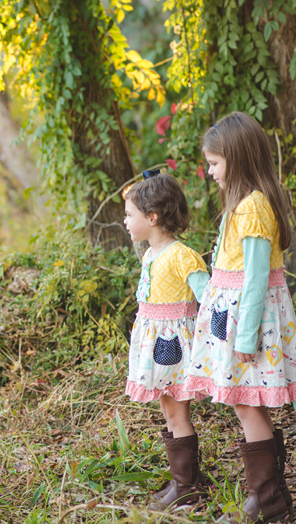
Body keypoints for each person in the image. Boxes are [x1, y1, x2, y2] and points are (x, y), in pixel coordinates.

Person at [184, 111, 296, 524]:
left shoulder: (253, 207)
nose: (209, 171)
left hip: (249, 327)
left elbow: (256, 280)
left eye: (215, 163)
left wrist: (244, 339)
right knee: (247, 403)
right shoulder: (240, 205)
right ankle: (273, 497)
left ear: (236, 158)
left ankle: (267, 501)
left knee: (247, 404)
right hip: (234, 320)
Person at [123, 170, 211, 510]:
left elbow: (209, 299)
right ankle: (183, 482)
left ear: (153, 217)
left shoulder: (180, 255)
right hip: (156, 347)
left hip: (173, 348)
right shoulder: (150, 254)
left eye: (130, 215)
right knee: (168, 410)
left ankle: (187, 489)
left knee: (176, 414)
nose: (126, 221)